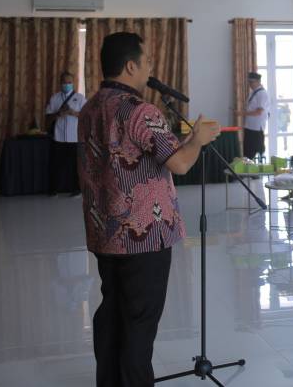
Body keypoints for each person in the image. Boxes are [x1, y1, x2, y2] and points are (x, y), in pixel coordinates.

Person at [78, 32, 220, 387]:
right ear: (131, 66)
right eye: (147, 61)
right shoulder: (140, 110)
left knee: (112, 313)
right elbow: (181, 164)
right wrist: (199, 140)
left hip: (106, 230)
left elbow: (155, 154)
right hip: (144, 236)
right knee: (139, 323)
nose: (150, 68)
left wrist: (187, 142)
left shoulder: (90, 107)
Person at [45, 71, 86, 196]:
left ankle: (77, 189)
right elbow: (48, 118)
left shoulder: (80, 98)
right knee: (57, 165)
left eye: (69, 82)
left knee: (75, 166)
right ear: (60, 83)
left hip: (74, 137)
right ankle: (54, 189)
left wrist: (73, 112)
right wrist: (58, 114)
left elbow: (87, 116)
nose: (67, 85)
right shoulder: (55, 98)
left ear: (73, 83)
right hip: (59, 137)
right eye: (64, 82)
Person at [239, 72, 269, 159]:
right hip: (249, 126)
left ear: (258, 81)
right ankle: (249, 166)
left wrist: (241, 113)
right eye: (249, 82)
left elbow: (259, 112)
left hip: (256, 128)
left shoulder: (262, 93)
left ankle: (259, 166)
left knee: (257, 152)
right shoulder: (253, 92)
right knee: (247, 152)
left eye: (252, 82)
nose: (250, 84)